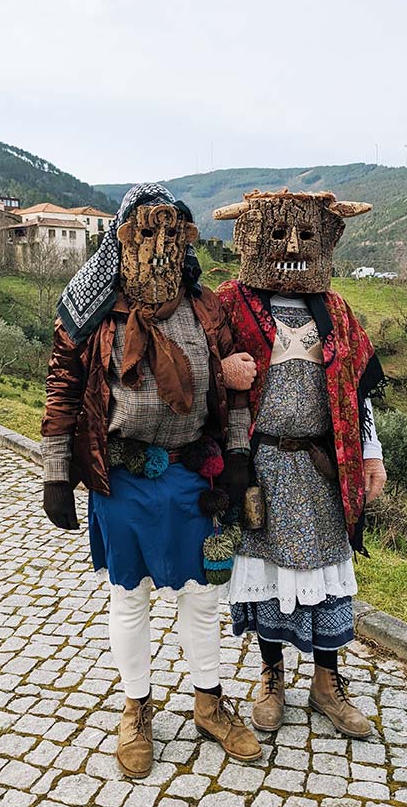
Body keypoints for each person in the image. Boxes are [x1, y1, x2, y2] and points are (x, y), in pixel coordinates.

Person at [40, 183, 261, 779]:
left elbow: (233, 387)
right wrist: (57, 471)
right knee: (129, 596)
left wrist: (238, 459)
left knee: (203, 594)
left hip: (196, 475)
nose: (160, 245)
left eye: (171, 232)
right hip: (125, 478)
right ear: (124, 238)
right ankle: (136, 709)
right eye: (147, 232)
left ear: (184, 238)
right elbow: (62, 383)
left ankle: (209, 703)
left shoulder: (207, 308)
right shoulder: (95, 309)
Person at [216, 189, 387, 739]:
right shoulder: (229, 303)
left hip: (324, 464)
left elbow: (355, 390)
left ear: (328, 241)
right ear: (250, 237)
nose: (292, 247)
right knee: (267, 569)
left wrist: (371, 453)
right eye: (279, 235)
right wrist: (222, 373)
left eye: (307, 237)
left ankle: (326, 682)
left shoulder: (336, 309)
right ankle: (271, 677)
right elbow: (197, 366)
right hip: (261, 466)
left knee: (326, 573)